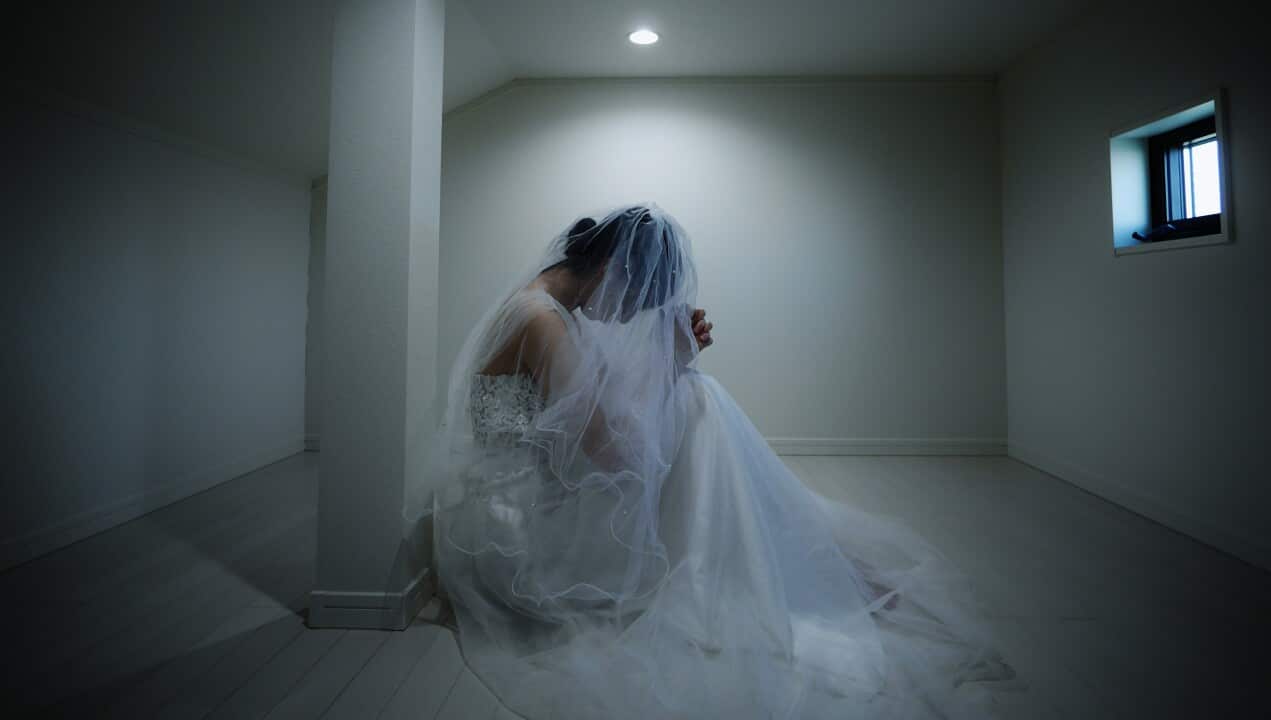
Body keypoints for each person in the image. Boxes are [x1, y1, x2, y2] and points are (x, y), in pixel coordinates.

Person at [403, 202, 1022, 719]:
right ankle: (781, 570)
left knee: (698, 404)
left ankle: (774, 564)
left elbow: (586, 418)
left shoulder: (546, 304)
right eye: (634, 301)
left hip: (535, 483)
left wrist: (671, 361)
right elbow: (606, 449)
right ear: (611, 271)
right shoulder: (543, 322)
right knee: (698, 403)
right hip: (518, 523)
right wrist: (671, 363)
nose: (628, 315)